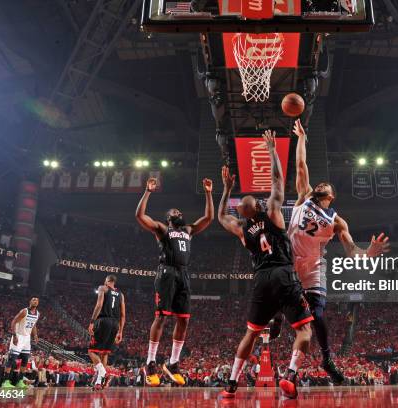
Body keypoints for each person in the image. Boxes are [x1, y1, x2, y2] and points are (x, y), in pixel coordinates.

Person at [282, 118, 388, 384]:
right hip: (290, 260)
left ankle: (327, 358)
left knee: (317, 314)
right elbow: (300, 165)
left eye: (326, 186)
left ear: (331, 195)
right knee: (280, 302)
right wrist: (302, 140)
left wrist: (370, 253)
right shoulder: (305, 195)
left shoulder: (338, 221)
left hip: (314, 266)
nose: (320, 185)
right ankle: (275, 321)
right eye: (320, 184)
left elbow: (353, 252)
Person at [217, 130, 314, 399]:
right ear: (259, 206)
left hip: (260, 279)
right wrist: (272, 150)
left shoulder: (241, 228)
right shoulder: (272, 211)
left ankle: (232, 383)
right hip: (283, 273)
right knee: (304, 330)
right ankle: (291, 375)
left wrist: (226, 190)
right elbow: (277, 180)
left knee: (251, 334)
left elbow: (220, 216)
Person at [136, 176, 214, 386]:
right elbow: (140, 215)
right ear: (168, 218)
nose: (178, 213)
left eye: (179, 212)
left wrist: (208, 192)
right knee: (161, 317)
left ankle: (172, 363)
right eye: (174, 212)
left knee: (184, 319)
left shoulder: (187, 230)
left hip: (183, 274)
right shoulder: (162, 229)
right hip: (167, 273)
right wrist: (148, 191)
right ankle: (150, 362)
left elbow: (208, 218)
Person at [87, 275, 125, 390]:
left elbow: (99, 305)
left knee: (91, 351)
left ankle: (103, 373)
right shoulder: (121, 295)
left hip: (103, 321)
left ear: (107, 281)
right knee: (105, 353)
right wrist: (120, 331)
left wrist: (92, 321)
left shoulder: (103, 288)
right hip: (115, 324)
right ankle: (99, 382)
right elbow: (123, 315)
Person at [1, 297, 39, 389]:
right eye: (33, 299)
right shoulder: (24, 311)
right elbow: (13, 321)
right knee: (12, 359)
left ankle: (20, 381)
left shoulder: (38, 314)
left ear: (38, 303)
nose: (35, 301)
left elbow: (33, 325)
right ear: (30, 301)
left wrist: (35, 335)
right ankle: (5, 382)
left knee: (25, 360)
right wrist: (14, 335)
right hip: (19, 336)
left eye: (37, 300)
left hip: (27, 338)